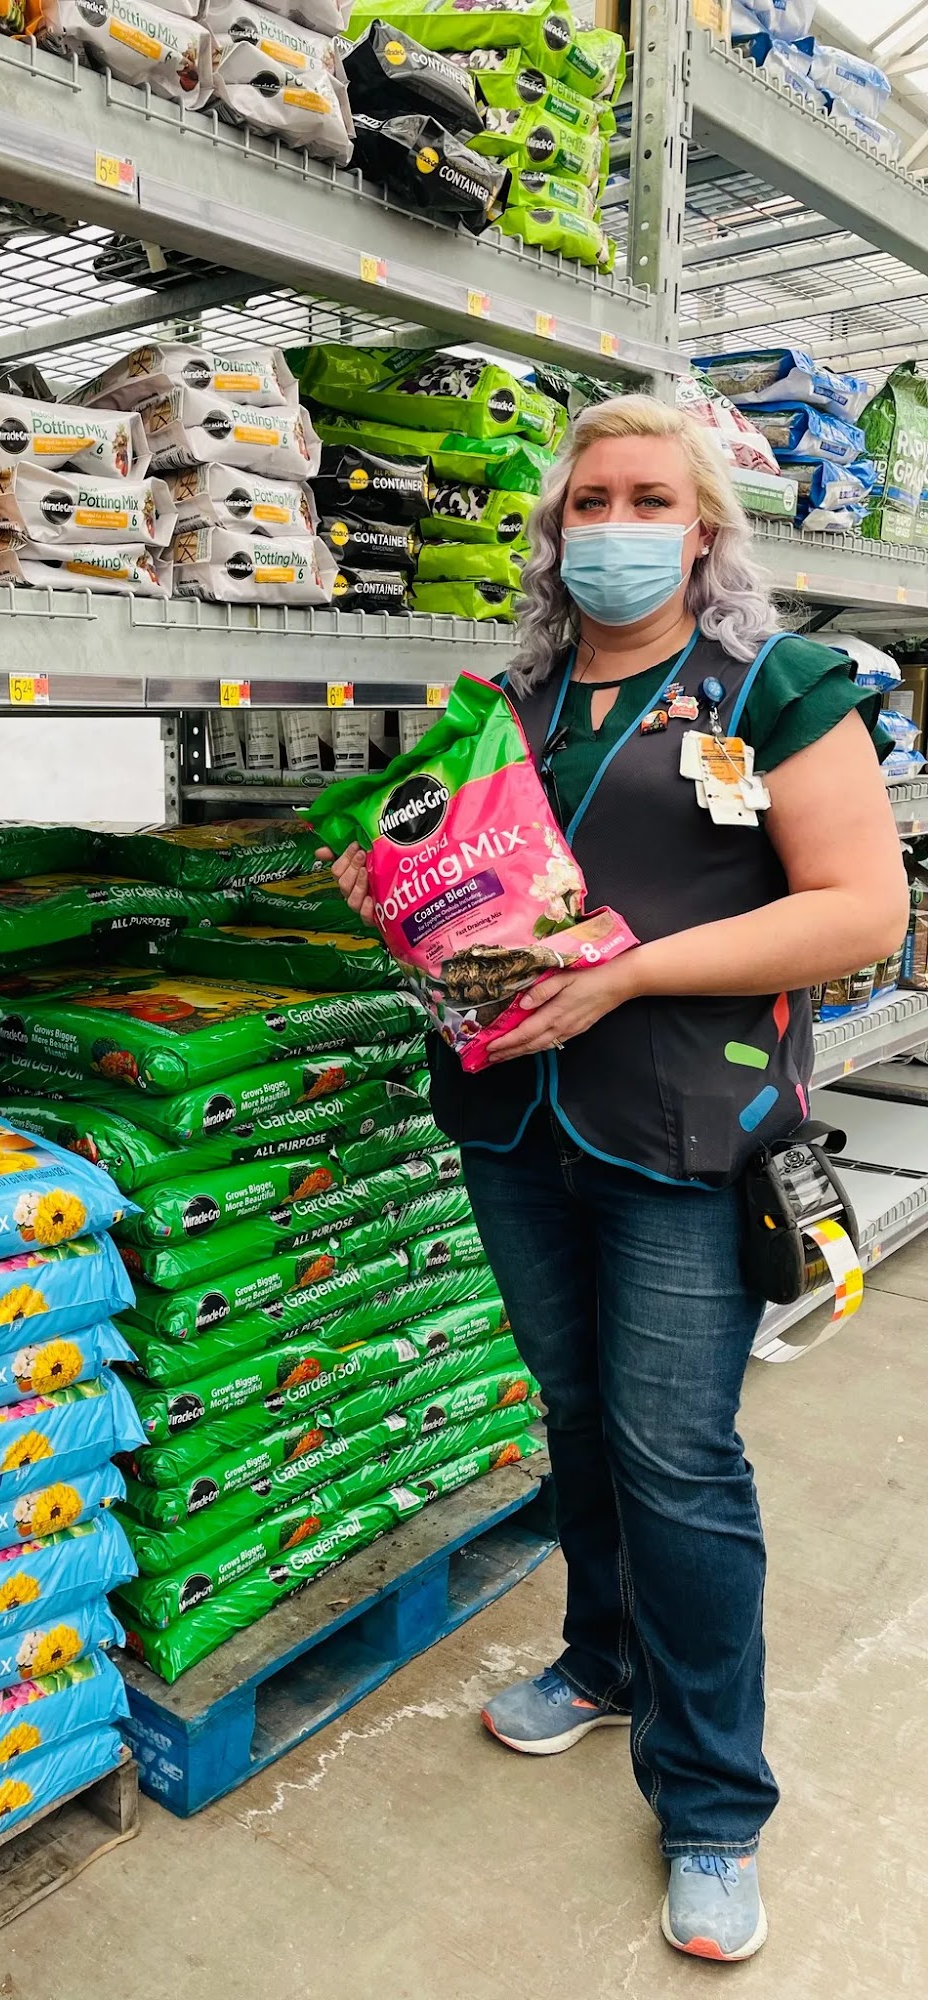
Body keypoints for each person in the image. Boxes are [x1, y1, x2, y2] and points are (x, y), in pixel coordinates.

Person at [318, 395, 907, 1964]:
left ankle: (712, 1801)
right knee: (577, 1413)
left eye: (652, 499)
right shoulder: (504, 706)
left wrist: (630, 973)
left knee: (679, 1458)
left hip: (680, 1132)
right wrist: (389, 883)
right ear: (554, 530)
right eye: (591, 502)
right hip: (515, 1122)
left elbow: (863, 912)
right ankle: (603, 1659)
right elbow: (461, 888)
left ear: (704, 529)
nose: (619, 527)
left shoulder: (774, 689)